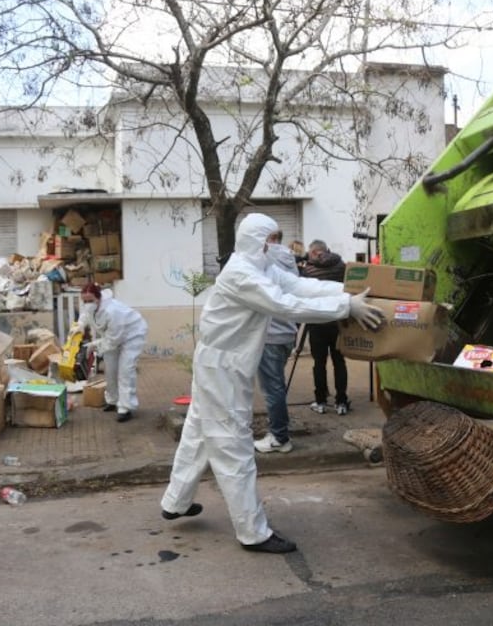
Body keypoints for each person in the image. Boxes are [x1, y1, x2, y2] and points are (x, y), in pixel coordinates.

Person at [160, 213, 384, 554]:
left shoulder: (258, 265)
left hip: (220, 365)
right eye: (271, 239)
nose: (275, 245)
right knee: (233, 447)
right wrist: (345, 307)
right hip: (223, 370)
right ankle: (253, 532)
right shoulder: (242, 275)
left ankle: (175, 502)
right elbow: (286, 304)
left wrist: (346, 291)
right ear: (258, 241)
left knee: (198, 435)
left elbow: (297, 285)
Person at [74, 283, 148, 423]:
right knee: (111, 369)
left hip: (132, 335)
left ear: (99, 298)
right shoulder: (91, 306)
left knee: (125, 371)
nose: (87, 304)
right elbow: (85, 313)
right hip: (112, 336)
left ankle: (126, 408)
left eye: (90, 300)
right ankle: (113, 400)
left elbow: (113, 341)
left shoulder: (113, 311)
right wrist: (80, 326)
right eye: (85, 301)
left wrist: (94, 346)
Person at [254, 230, 300, 453]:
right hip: (288, 331)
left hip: (271, 333)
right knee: (277, 386)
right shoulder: (290, 259)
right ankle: (279, 433)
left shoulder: (265, 260)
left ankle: (280, 438)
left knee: (272, 388)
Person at [301, 239, 350, 415]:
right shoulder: (341, 266)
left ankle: (321, 401)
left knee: (319, 364)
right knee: (339, 362)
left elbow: (303, 293)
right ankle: (341, 402)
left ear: (313, 252)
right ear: (327, 250)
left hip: (317, 321)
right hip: (338, 322)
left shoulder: (308, 270)